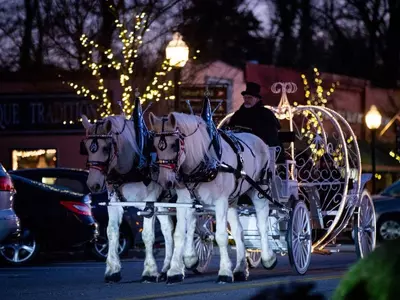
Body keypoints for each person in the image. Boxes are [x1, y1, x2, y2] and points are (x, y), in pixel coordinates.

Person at [228, 82, 281, 148]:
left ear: (257, 99)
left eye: (250, 98)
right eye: (245, 98)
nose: (246, 100)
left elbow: (271, 137)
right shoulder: (238, 114)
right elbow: (230, 129)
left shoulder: (266, 114)